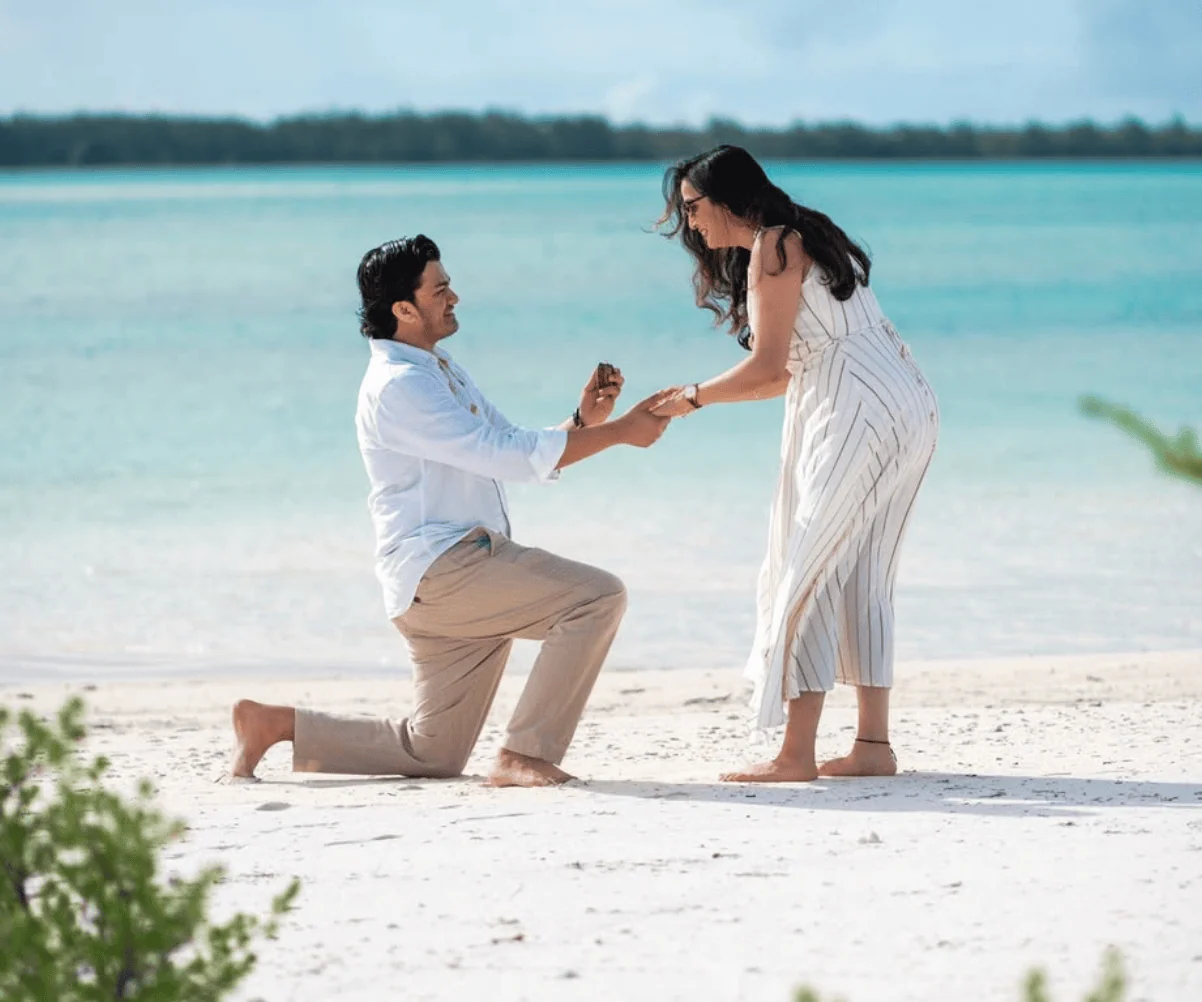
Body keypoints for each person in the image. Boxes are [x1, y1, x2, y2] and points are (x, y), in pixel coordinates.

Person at [231, 235, 671, 787]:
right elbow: (503, 455)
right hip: (446, 570)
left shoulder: (436, 367)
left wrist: (583, 423)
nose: (455, 296)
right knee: (597, 597)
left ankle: (272, 724)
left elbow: (505, 440)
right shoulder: (400, 386)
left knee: (431, 754)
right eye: (440, 289)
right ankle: (524, 755)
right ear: (404, 309)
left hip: (440, 579)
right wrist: (620, 434)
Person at [652, 146, 939, 782]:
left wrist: (693, 397)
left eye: (694, 208)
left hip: (854, 410)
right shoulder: (804, 232)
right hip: (903, 401)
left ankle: (796, 754)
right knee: (864, 571)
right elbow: (786, 373)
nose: (690, 224)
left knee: (805, 570)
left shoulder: (772, 246)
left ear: (730, 199)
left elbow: (768, 368)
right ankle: (872, 747)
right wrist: (698, 402)